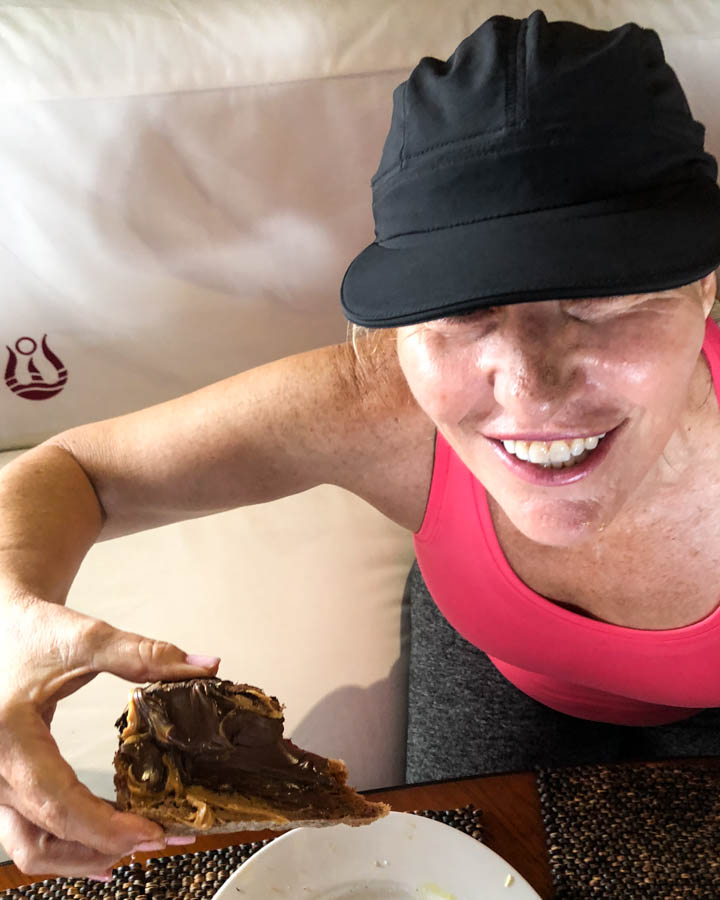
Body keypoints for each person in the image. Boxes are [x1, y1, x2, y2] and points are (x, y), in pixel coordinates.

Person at [1, 8, 719, 882]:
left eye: (600, 296)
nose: (530, 390)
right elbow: (75, 472)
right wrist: (9, 623)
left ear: (703, 281)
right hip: (509, 669)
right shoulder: (381, 405)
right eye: (463, 310)